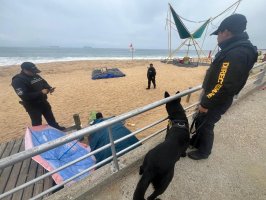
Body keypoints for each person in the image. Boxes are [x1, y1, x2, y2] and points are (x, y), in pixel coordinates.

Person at [188, 14, 258, 160]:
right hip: (216, 96)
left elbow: (225, 84)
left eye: (218, 33)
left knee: (207, 125)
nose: (217, 37)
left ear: (226, 32)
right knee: (202, 121)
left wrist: (206, 102)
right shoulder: (235, 48)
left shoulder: (236, 53)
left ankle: (204, 152)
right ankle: (196, 142)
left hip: (217, 99)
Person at [11, 62, 65, 130]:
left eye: (34, 71)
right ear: (24, 70)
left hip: (43, 101)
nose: (34, 73)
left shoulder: (35, 75)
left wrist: (49, 88)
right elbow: (24, 96)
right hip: (32, 106)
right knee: (37, 123)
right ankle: (38, 134)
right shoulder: (17, 80)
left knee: (50, 117)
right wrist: (41, 92)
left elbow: (44, 83)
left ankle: (56, 128)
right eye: (32, 71)